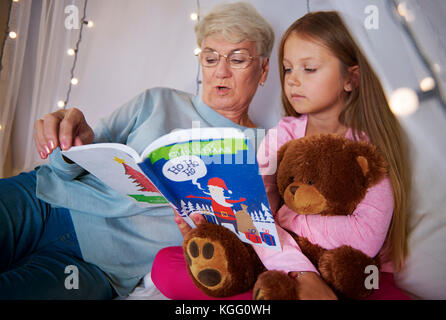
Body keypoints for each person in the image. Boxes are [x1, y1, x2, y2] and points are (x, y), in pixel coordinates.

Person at [0, 2, 274, 299]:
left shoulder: (265, 150)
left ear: (263, 69)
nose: (221, 71)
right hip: (42, 200)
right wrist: (69, 143)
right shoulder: (157, 101)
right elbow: (72, 164)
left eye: (237, 59)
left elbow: (253, 241)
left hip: (99, 267)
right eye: (210, 58)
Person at [152, 11, 412, 300]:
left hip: (353, 271)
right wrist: (299, 270)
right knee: (165, 264)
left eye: (309, 69)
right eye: (288, 69)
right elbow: (256, 217)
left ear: (350, 79)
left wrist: (286, 219)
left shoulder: (368, 149)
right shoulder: (282, 135)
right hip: (283, 260)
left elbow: (364, 238)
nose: (293, 81)